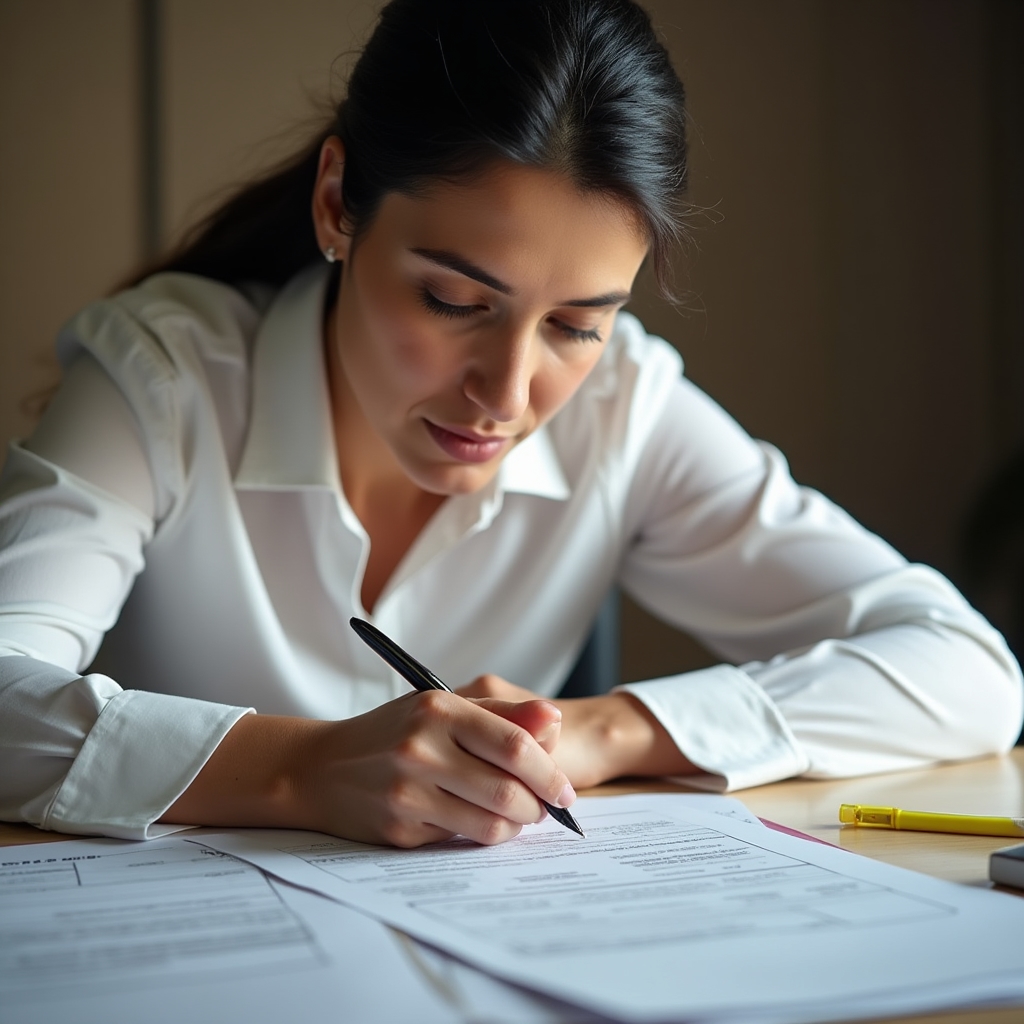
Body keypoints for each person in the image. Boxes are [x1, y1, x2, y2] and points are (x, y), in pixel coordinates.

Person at [0, 0, 1020, 848]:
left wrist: (604, 731)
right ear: (336, 205)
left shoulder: (624, 405)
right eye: (452, 301)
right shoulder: (164, 377)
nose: (506, 390)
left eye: (577, 325)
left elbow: (966, 669)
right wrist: (299, 769)